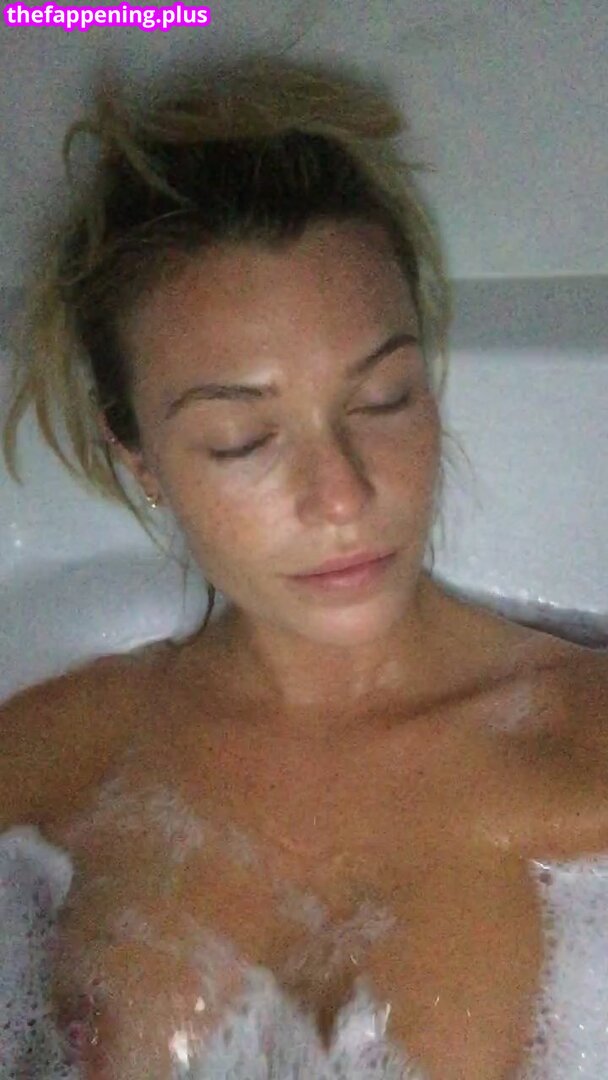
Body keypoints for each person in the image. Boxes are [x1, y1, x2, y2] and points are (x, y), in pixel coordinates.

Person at [1, 56, 607, 1080]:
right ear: (138, 456)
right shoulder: (58, 760)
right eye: (241, 439)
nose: (342, 495)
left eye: (383, 399)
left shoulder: (582, 755)